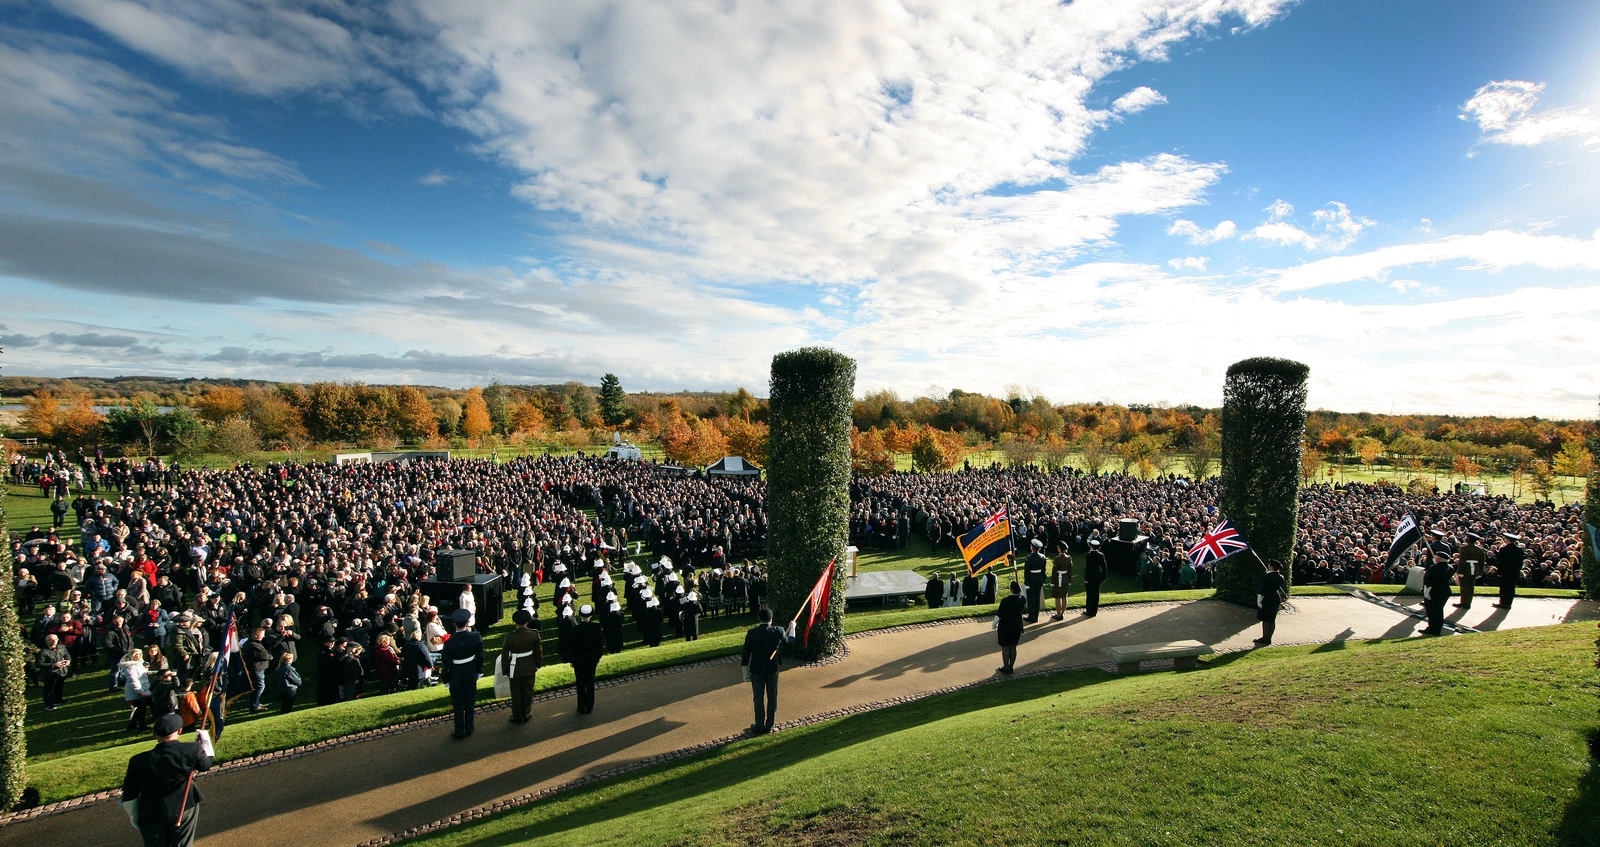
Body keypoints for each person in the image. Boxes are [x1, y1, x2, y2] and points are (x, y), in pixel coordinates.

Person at [120, 713, 214, 847]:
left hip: (151, 813)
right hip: (183, 806)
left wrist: (134, 817)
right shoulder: (192, 749)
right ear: (179, 731)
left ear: (155, 735)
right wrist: (205, 742)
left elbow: (130, 794)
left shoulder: (137, 761)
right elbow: (206, 765)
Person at [740, 608, 797, 734]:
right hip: (772, 669)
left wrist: (745, 671)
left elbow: (745, 654)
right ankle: (770, 724)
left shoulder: (752, 632)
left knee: (758, 697)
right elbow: (790, 643)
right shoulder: (778, 630)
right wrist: (792, 628)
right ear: (771, 619)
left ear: (759, 618)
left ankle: (759, 724)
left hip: (756, 670)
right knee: (772, 697)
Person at [439, 608, 483, 738]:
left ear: (454, 624)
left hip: (455, 674)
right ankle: (469, 727)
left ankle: (459, 730)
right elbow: (480, 656)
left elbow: (446, 663)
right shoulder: (475, 636)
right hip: (470, 671)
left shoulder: (449, 642)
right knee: (470, 700)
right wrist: (479, 671)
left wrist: (445, 679)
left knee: (457, 703)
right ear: (468, 622)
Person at [500, 609, 542, 724]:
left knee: (516, 692)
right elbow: (538, 652)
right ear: (527, 623)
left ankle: (517, 715)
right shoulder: (534, 634)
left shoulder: (509, 637)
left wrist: (505, 670)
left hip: (514, 667)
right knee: (528, 690)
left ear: (515, 623)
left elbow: (505, 657)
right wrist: (538, 665)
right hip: (529, 666)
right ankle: (527, 713)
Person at [571, 604, 606, 715]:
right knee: (590, 682)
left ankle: (581, 707)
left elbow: (572, 646)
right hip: (591, 659)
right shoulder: (596, 627)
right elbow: (599, 644)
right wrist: (598, 656)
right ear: (590, 615)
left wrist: (571, 660)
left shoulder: (575, 629)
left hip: (579, 660)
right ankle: (589, 706)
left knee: (580, 683)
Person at [1419, 546, 1454, 636]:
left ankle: (1432, 628)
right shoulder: (1450, 568)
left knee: (1432, 611)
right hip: (1444, 591)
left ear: (1438, 558)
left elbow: (1428, 581)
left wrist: (1426, 592)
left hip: (1434, 592)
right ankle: (1437, 628)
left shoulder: (1434, 568)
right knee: (1439, 611)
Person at [995, 581, 1027, 674]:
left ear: (1011, 589)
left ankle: (1006, 667)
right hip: (1017, 625)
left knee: (1005, 648)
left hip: (1005, 626)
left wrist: (994, 624)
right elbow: (1023, 595)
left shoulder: (1005, 601)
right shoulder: (1022, 600)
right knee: (1013, 647)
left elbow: (999, 615)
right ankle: (1011, 666)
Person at [1254, 559, 1287, 646]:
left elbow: (1262, 589)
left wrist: (1259, 601)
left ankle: (1265, 637)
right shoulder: (1280, 577)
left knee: (1266, 619)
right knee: (1272, 619)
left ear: (1271, 566)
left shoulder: (1267, 577)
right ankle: (1268, 638)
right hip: (1275, 597)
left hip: (1267, 598)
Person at [36, 633, 71, 710]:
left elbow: (66, 655)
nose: (54, 641)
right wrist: (54, 665)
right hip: (50, 674)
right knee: (49, 690)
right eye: (51, 640)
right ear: (47, 641)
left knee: (59, 687)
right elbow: (39, 664)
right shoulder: (43, 652)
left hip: (61, 672)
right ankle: (48, 704)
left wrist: (68, 661)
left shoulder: (62, 647)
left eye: (55, 639)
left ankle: (58, 700)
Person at [121, 648, 152, 732]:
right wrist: (140, 691)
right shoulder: (130, 667)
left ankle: (133, 725)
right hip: (136, 692)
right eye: (138, 654)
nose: (141, 655)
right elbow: (133, 680)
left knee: (141, 709)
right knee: (141, 709)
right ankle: (141, 726)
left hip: (143, 689)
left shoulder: (139, 664)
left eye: (141, 653)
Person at [1456, 532, 1487, 609]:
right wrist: (1480, 572)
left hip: (1466, 569)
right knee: (1471, 587)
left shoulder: (1464, 548)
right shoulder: (1480, 550)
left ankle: (1464, 602)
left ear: (1468, 539)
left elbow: (1462, 561)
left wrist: (1460, 571)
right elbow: (1482, 562)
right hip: (1475, 569)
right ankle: (1468, 602)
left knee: (1464, 587)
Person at [1493, 533, 1524, 609]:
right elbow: (1520, 562)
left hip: (1505, 572)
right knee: (1511, 588)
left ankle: (1503, 602)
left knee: (1504, 588)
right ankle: (1508, 603)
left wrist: (1500, 572)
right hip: (1514, 572)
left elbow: (1501, 562)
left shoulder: (1503, 549)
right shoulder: (1519, 550)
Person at [1023, 538, 1047, 623]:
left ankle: (1031, 616)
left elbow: (1027, 571)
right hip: (1039, 578)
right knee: (1037, 598)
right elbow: (1043, 570)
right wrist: (1043, 580)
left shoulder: (1029, 558)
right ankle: (1035, 616)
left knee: (1031, 598)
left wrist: (1026, 583)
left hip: (1032, 579)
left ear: (1032, 548)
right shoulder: (1042, 557)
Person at [1083, 540, 1107, 617]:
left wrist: (1086, 578)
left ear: (1091, 546)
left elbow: (1088, 568)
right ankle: (1094, 610)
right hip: (1098, 576)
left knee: (1090, 594)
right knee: (1096, 594)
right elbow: (1104, 566)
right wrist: (1104, 577)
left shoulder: (1089, 555)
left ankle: (1089, 610)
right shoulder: (1101, 555)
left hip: (1090, 577)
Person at [1050, 542, 1073, 621]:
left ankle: (1058, 613)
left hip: (1058, 579)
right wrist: (1069, 580)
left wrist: (1052, 581)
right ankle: (1062, 613)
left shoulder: (1057, 559)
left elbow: (1054, 571)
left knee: (1057, 597)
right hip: (1065, 578)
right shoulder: (1069, 558)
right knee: (1064, 596)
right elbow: (1070, 570)